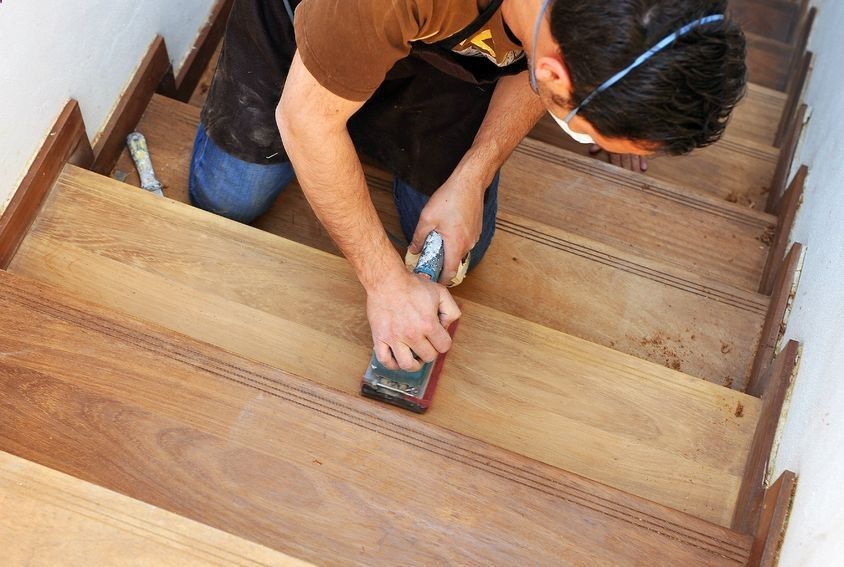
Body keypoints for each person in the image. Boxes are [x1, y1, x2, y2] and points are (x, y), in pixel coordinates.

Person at [190, 0, 746, 372]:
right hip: (320, 26)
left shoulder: (581, 25)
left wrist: (472, 175)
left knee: (463, 253)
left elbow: (541, 59)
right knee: (228, 198)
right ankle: (340, 92)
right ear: (554, 73)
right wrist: (385, 284)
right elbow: (304, 120)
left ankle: (355, 106)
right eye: (589, 135)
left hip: (454, 58)